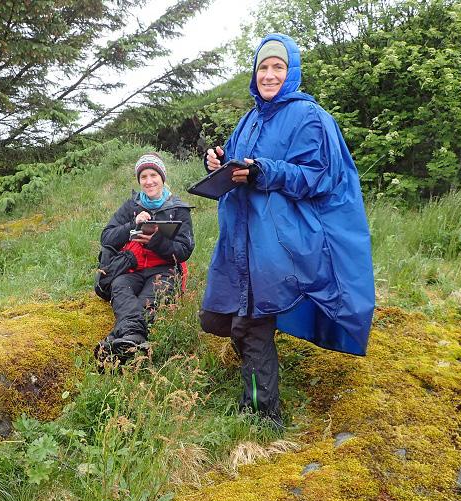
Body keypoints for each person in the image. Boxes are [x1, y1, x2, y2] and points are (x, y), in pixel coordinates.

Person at [201, 33, 375, 428]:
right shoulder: (249, 119)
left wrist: (263, 170)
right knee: (232, 318)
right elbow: (238, 163)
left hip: (278, 241)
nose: (269, 74)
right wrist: (220, 162)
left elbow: (319, 176)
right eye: (263, 66)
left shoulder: (309, 117)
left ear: (291, 70)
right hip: (242, 238)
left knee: (251, 320)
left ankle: (264, 418)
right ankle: (255, 391)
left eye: (277, 66)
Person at [95, 153, 195, 361]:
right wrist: (133, 225)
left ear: (162, 177)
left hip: (164, 271)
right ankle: (132, 341)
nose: (149, 181)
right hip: (131, 268)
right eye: (144, 177)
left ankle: (114, 344)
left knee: (146, 302)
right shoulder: (131, 207)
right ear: (139, 181)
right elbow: (107, 237)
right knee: (120, 287)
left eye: (153, 175)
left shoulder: (178, 209)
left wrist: (156, 240)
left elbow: (184, 250)